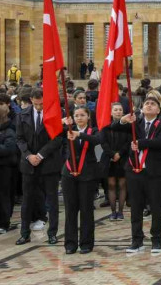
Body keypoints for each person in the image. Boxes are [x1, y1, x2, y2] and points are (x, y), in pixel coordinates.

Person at [112, 95, 161, 254]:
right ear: (142, 108)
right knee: (136, 207)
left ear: (158, 110)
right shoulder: (135, 123)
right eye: (147, 103)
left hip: (155, 172)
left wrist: (141, 143)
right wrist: (123, 120)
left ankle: (156, 240)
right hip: (134, 171)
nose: (149, 106)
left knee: (156, 207)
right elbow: (114, 128)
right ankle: (136, 240)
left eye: (153, 104)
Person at [16, 89, 62, 246]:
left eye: (41, 104)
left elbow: (57, 139)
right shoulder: (22, 114)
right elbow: (19, 139)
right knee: (27, 200)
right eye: (36, 104)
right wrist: (29, 155)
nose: (39, 107)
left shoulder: (54, 114)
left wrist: (40, 155)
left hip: (49, 163)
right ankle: (24, 233)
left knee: (52, 200)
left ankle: (52, 234)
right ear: (31, 100)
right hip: (28, 164)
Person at [60, 107, 103, 254]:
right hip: (69, 174)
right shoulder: (67, 130)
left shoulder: (93, 131)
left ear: (88, 117)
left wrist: (79, 135)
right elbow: (51, 133)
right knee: (70, 210)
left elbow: (98, 140)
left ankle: (86, 243)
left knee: (86, 209)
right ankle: (70, 244)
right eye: (76, 115)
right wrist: (61, 124)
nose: (79, 118)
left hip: (87, 175)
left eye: (82, 115)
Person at [103, 102, 129, 221]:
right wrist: (112, 154)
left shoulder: (127, 125)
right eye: (116, 110)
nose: (118, 111)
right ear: (111, 112)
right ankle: (113, 211)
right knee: (112, 185)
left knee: (122, 184)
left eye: (120, 109)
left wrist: (120, 153)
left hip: (123, 158)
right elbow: (103, 142)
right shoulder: (106, 125)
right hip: (110, 158)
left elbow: (128, 142)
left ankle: (121, 211)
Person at [0, 94, 16, 234]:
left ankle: (4, 223)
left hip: (4, 168)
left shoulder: (9, 131)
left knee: (3, 195)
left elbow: (9, 149)